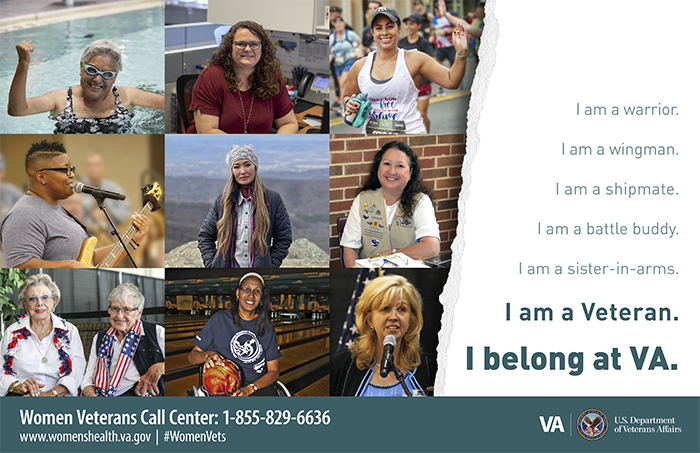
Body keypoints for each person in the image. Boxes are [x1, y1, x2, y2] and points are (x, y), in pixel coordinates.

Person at [0, 140, 148, 268]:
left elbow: (91, 259)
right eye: (65, 170)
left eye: (71, 169)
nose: (71, 175)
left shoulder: (59, 210)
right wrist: (69, 265)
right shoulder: (23, 215)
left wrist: (131, 241)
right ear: (41, 176)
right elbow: (20, 265)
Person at [344, 6, 468, 134]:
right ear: (373, 33)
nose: (384, 32)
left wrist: (461, 53)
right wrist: (350, 104)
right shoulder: (359, 66)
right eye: (378, 28)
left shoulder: (415, 59)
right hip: (373, 140)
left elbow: (451, 81)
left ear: (399, 29)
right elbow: (347, 96)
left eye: (390, 26)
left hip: (410, 135)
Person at [8, 39, 164, 134]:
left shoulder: (126, 96)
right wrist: (23, 63)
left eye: (107, 74)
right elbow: (17, 110)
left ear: (115, 77)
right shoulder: (60, 99)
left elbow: (169, 102)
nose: (98, 79)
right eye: (91, 70)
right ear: (81, 69)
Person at [331, 275, 436, 396]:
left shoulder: (431, 367)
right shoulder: (341, 365)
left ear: (411, 320)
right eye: (385, 308)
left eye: (402, 309)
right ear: (369, 319)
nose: (393, 317)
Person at [186, 21, 298, 134]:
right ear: (230, 47)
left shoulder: (272, 78)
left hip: (256, 149)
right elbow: (208, 131)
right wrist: (243, 149)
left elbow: (289, 123)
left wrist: (275, 145)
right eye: (241, 44)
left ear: (262, 48)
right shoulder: (211, 77)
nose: (248, 49)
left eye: (254, 44)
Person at [341, 141, 440, 267]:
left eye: (400, 166)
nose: (392, 171)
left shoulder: (420, 201)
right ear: (378, 168)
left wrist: (389, 255)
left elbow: (431, 248)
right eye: (387, 164)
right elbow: (350, 248)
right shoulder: (363, 199)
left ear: (410, 172)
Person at [198, 144, 292, 268]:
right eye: (236, 166)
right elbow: (205, 236)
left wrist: (271, 265)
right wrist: (212, 265)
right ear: (232, 171)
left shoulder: (272, 200)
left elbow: (284, 238)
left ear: (255, 167)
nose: (242, 171)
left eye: (247, 165)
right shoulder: (222, 202)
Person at [188, 272, 281, 396]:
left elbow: (274, 371)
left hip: (255, 386)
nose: (251, 295)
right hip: (221, 382)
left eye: (257, 291)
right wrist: (207, 355)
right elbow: (192, 356)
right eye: (246, 289)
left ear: (261, 298)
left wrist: (250, 388)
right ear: (238, 293)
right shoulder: (219, 319)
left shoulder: (268, 327)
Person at [0, 273, 86, 396]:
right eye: (32, 299)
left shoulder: (70, 331)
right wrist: (18, 387)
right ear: (25, 304)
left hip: (58, 398)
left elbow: (77, 371)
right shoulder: (11, 332)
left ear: (53, 302)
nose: (40, 303)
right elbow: (1, 369)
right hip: (22, 396)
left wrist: (50, 394)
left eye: (45, 297)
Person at [81, 284, 165, 396]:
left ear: (139, 313)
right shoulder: (100, 338)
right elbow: (88, 377)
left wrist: (160, 367)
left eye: (126, 310)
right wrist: (91, 395)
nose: (119, 316)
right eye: (115, 309)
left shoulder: (155, 332)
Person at [399, 15, 436, 132]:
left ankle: (427, 138)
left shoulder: (424, 43)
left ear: (418, 26)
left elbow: (433, 60)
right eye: (407, 24)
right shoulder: (401, 43)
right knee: (406, 116)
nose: (408, 27)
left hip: (423, 83)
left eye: (412, 24)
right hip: (406, 85)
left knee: (421, 114)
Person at [329, 16, 361, 116]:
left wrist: (358, 51)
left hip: (348, 61)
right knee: (341, 85)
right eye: (336, 23)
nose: (338, 25)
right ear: (334, 25)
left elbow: (360, 43)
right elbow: (330, 50)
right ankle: (344, 105)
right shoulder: (332, 37)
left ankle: (344, 107)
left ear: (344, 24)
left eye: (340, 22)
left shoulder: (350, 34)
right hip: (338, 63)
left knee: (343, 82)